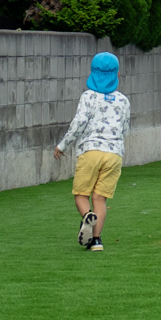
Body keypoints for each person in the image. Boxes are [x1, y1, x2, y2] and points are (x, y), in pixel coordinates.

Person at [55, 51, 131, 251]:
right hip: (114, 154)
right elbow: (125, 130)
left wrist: (62, 146)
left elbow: (78, 124)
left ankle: (87, 217)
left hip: (91, 151)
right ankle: (96, 240)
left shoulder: (88, 96)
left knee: (81, 195)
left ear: (92, 73)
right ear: (118, 74)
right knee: (100, 198)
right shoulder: (123, 101)